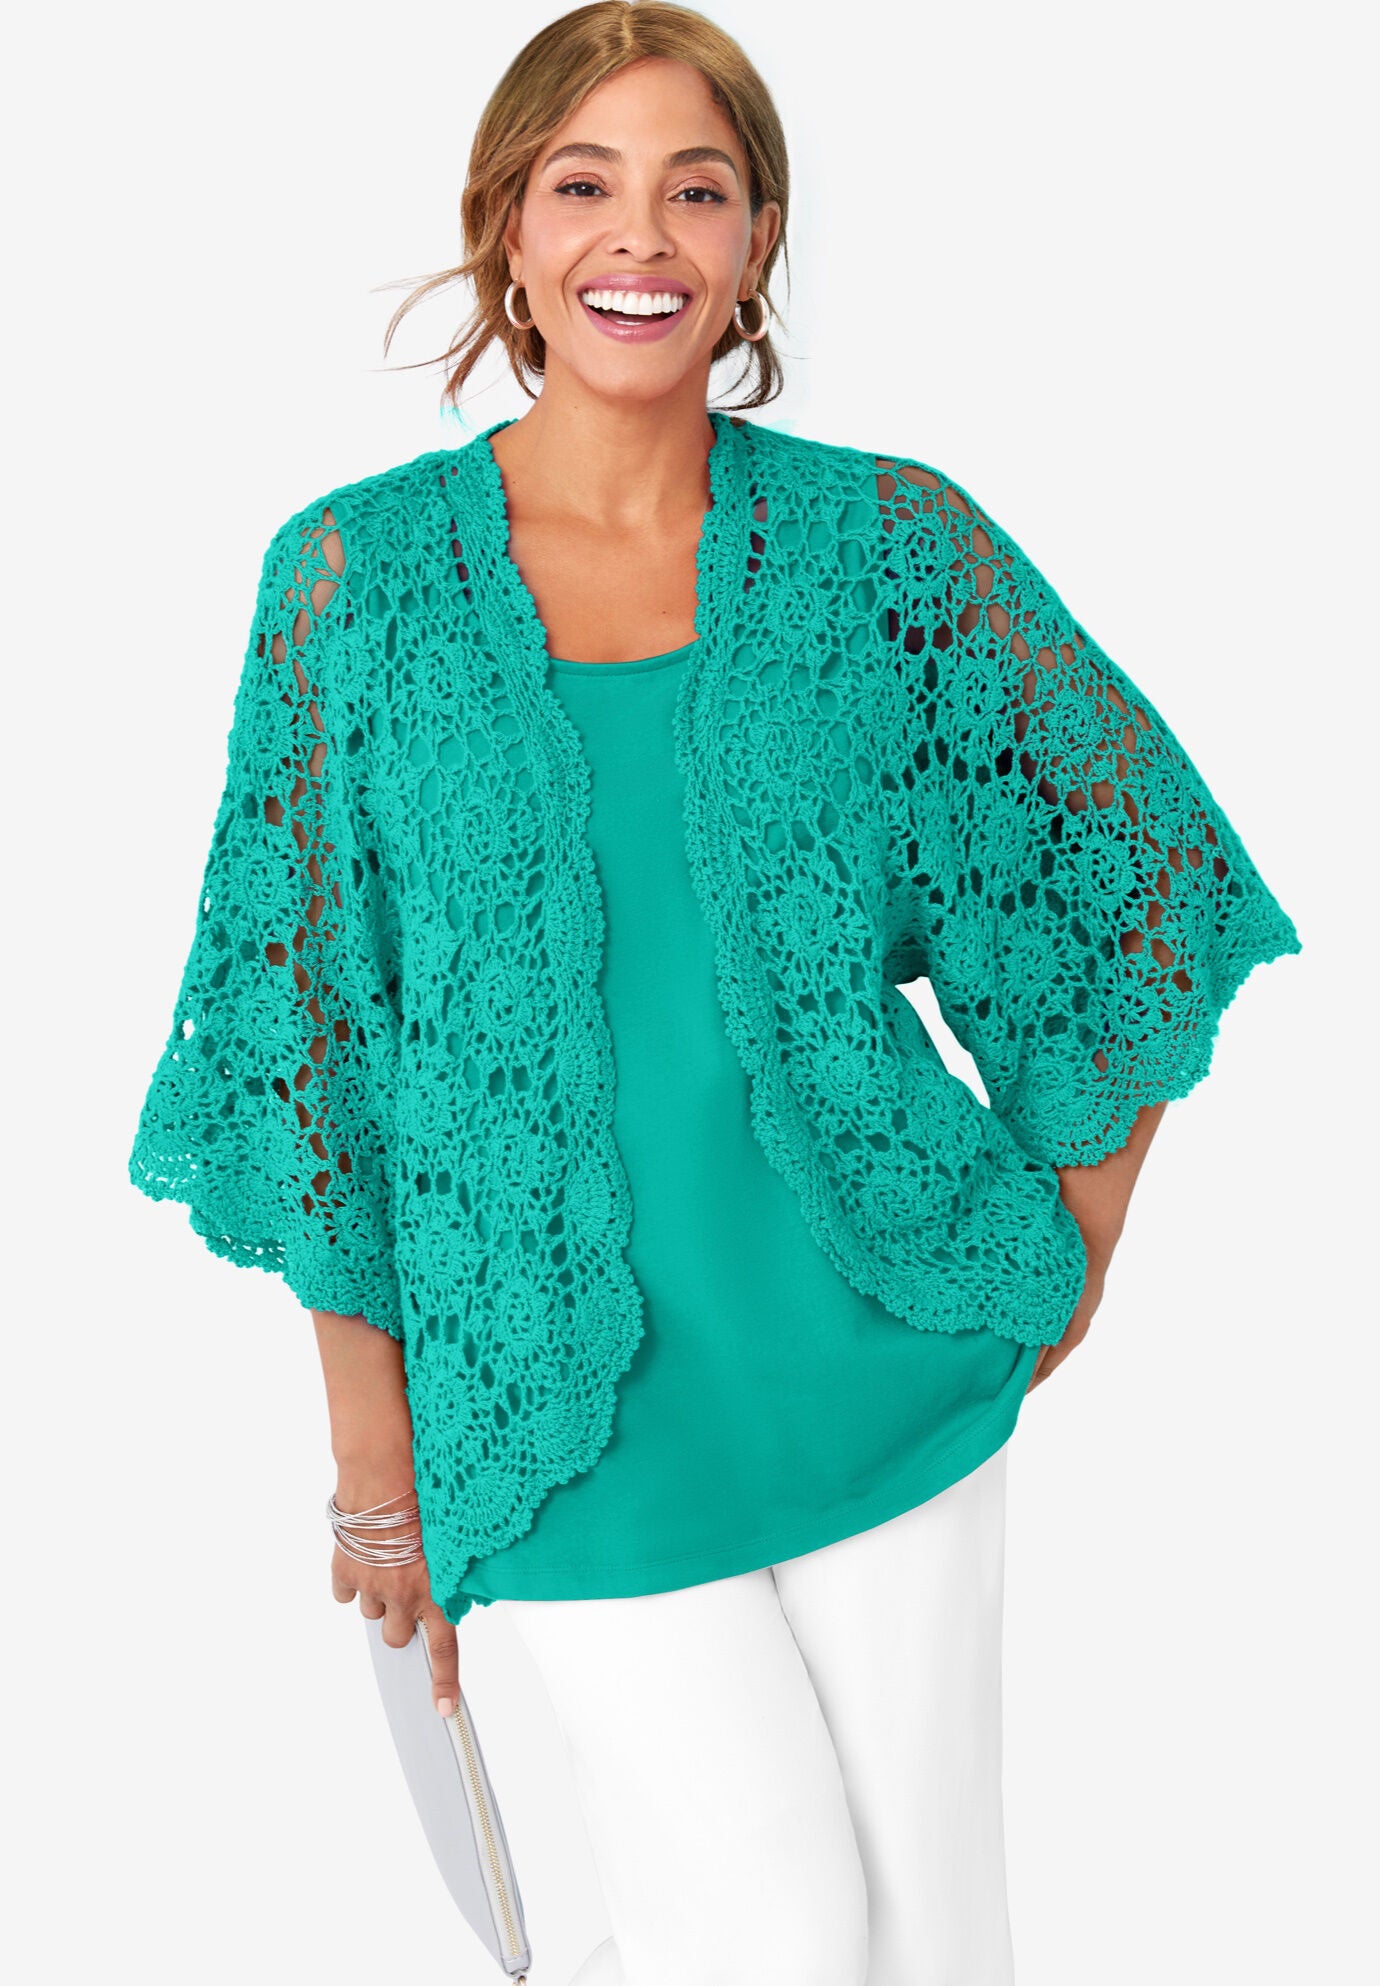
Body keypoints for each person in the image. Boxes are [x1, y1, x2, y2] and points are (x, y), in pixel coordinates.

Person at [126, 6, 1301, 1983]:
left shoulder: (884, 546)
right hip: (549, 1411)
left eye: (697, 189)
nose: (640, 236)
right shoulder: (351, 583)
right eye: (583, 184)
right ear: (508, 229)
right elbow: (306, 1049)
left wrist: (1072, 1244)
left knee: (937, 1938)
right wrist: (374, 1463)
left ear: (757, 240)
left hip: (882, 1348)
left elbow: (1127, 881)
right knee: (768, 1924)